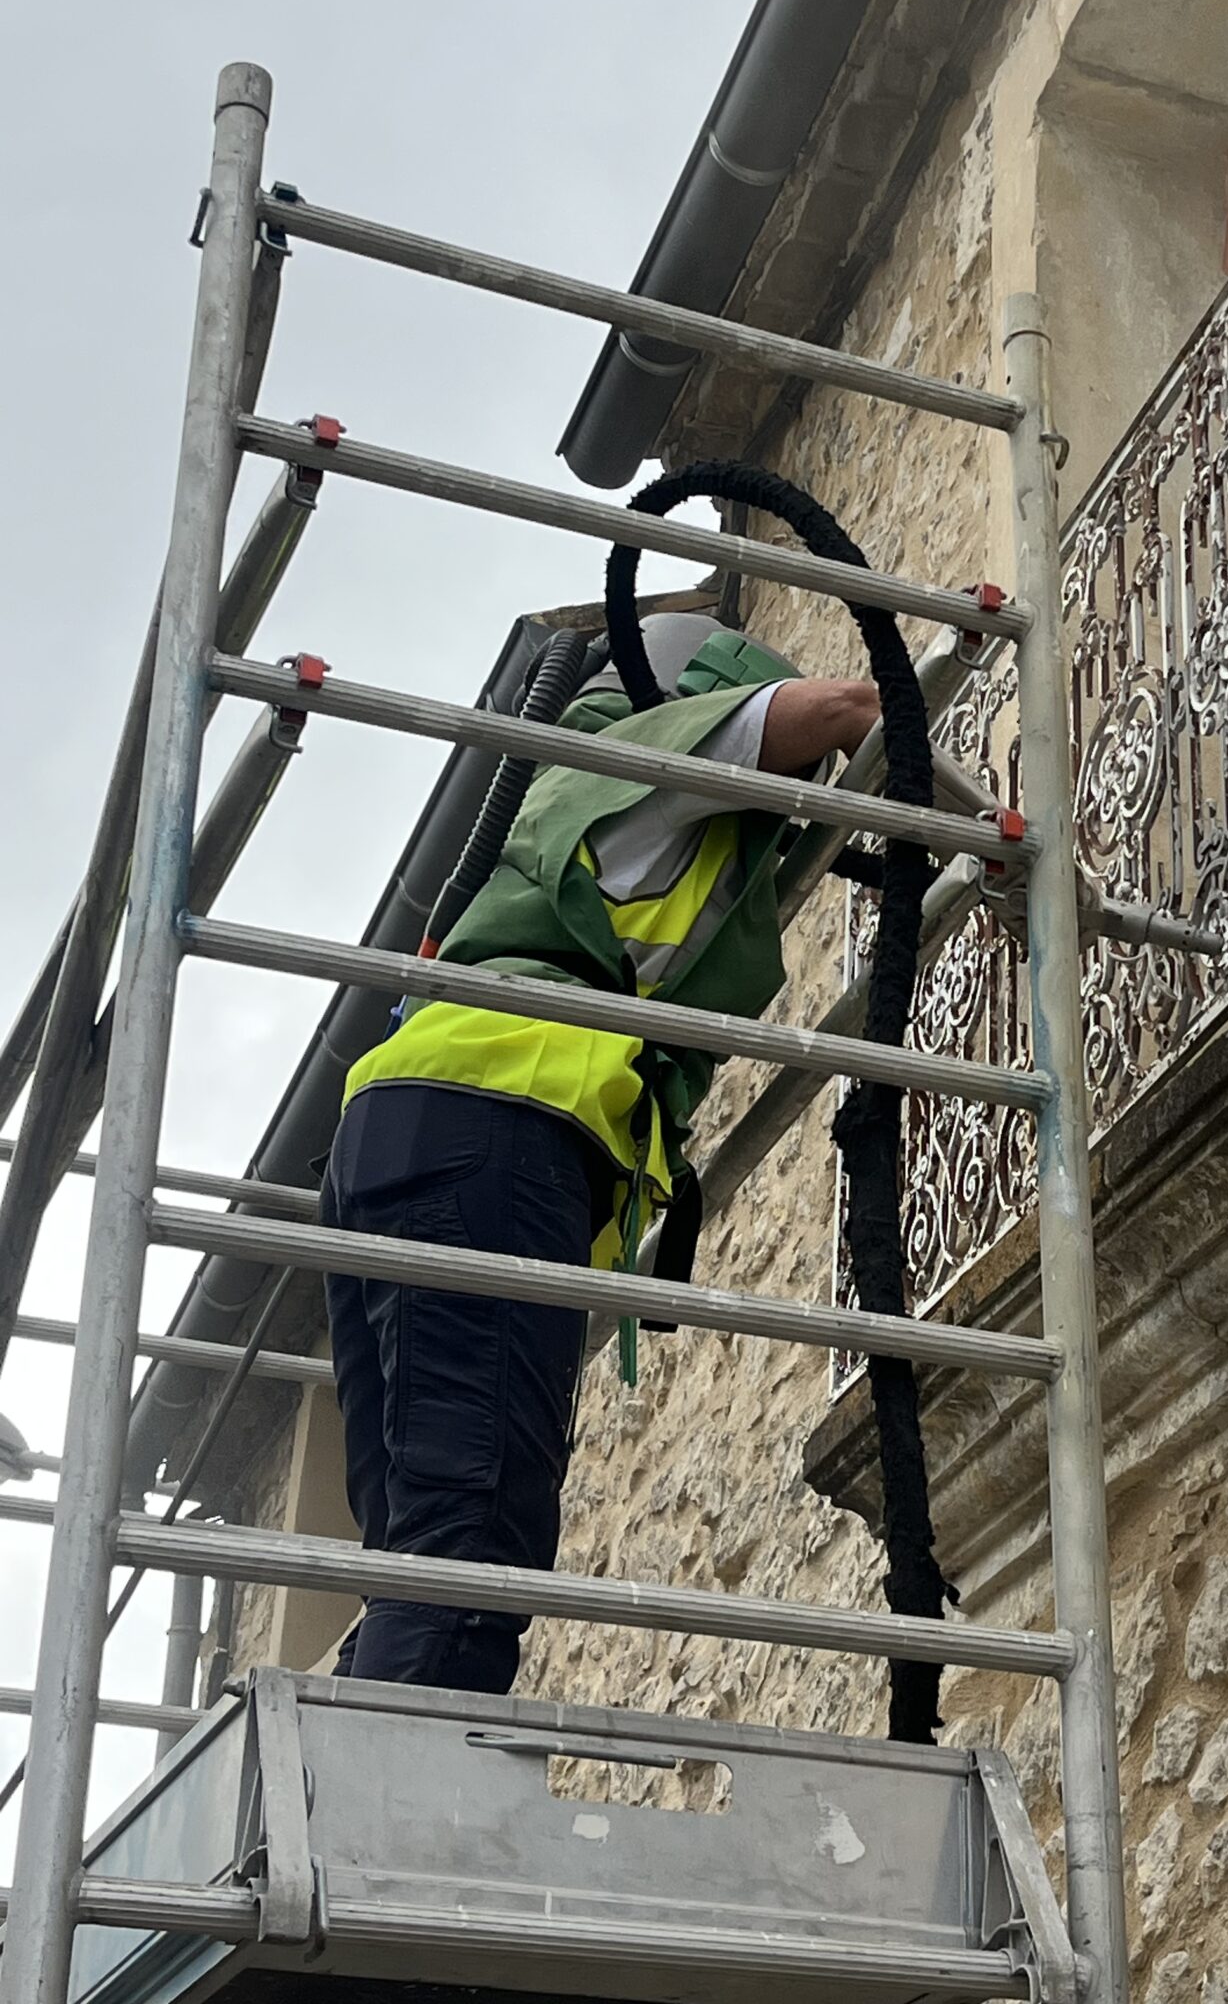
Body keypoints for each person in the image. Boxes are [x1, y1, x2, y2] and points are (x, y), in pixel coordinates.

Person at [318, 613, 880, 1693]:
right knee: (470, 1550)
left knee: (417, 1543)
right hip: (501, 1122)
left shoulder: (554, 796)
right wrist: (1002, 831)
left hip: (394, 1127)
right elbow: (845, 711)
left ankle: (331, 1793)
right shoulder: (658, 752)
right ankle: (395, 1837)